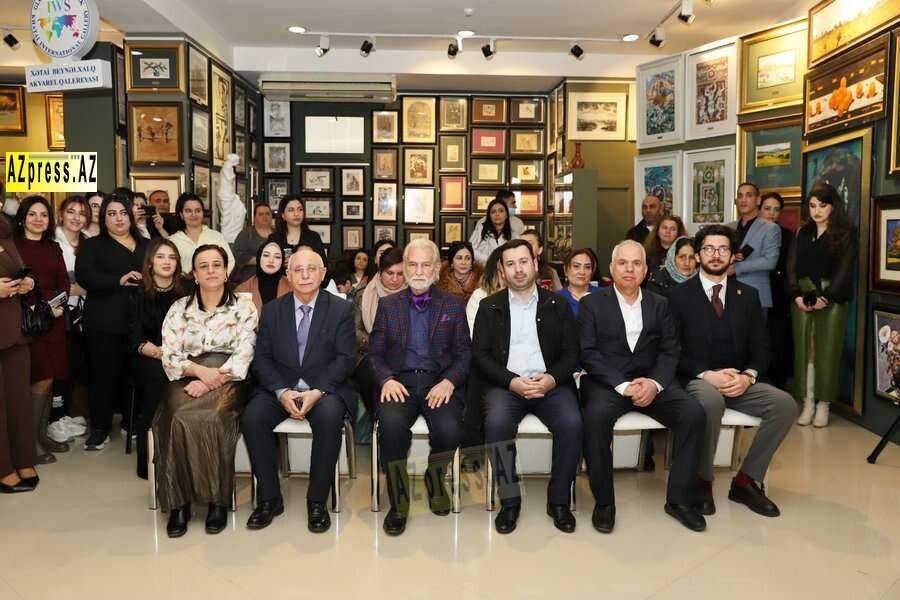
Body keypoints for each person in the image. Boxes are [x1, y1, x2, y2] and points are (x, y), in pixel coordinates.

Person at [669, 225, 797, 519]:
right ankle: (701, 480)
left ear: (732, 256)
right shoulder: (678, 296)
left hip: (738, 380)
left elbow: (762, 348)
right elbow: (671, 350)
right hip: (697, 379)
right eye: (709, 249)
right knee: (711, 402)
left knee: (785, 405)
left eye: (723, 249)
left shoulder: (747, 295)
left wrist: (747, 377)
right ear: (698, 255)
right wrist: (706, 375)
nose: (716, 255)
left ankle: (745, 481)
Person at [579, 240, 707, 533]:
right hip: (608, 383)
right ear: (611, 268)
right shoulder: (591, 304)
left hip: (652, 381)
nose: (629, 269)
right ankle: (604, 503)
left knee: (693, 413)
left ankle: (679, 501)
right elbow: (588, 353)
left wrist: (654, 383)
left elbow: (670, 350)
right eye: (622, 263)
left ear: (646, 270)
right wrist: (622, 385)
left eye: (636, 263)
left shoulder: (660, 303)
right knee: (595, 418)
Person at [241, 247, 356, 533]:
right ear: (288, 275)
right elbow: (262, 358)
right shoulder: (272, 310)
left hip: (324, 389)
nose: (305, 275)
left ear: (323, 273)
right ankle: (269, 499)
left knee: (329, 418)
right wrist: (281, 392)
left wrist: (318, 390)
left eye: (311, 269)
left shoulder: (341, 309)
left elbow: (345, 358)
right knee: (253, 417)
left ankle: (316, 501)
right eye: (298, 270)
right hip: (281, 387)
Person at [473, 239, 582, 534]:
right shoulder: (489, 306)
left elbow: (572, 353)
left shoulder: (558, 304)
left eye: (523, 262)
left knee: (572, 424)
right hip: (506, 385)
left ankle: (558, 500)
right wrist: (511, 381)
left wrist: (551, 379)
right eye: (510, 264)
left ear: (535, 264)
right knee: (496, 424)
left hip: (551, 384)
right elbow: (480, 356)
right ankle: (510, 502)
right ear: (502, 270)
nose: (518, 269)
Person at [368, 239, 469, 536]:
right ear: (405, 267)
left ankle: (435, 479)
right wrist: (386, 379)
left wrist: (449, 382)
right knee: (390, 428)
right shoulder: (388, 306)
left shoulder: (453, 304)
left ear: (437, 269)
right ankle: (399, 502)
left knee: (450, 429)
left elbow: (465, 353)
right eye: (413, 264)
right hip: (400, 382)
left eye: (426, 265)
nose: (419, 271)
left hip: (440, 382)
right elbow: (374, 354)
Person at [157, 245, 258, 537]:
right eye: (204, 266)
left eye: (217, 265)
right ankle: (179, 503)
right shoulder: (179, 309)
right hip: (186, 376)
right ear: (194, 274)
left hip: (229, 378)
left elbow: (245, 354)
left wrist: (212, 379)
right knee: (177, 417)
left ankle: (217, 501)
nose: (211, 270)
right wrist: (200, 373)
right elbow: (170, 355)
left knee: (214, 417)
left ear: (226, 272)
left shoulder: (244, 307)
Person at [75, 192, 150, 450]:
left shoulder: (147, 245)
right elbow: (85, 276)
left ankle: (132, 422)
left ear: (131, 216)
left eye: (123, 213)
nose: (118, 218)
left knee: (136, 375)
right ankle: (100, 428)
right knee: (103, 377)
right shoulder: (92, 246)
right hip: (104, 322)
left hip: (141, 322)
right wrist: (117, 280)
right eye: (111, 213)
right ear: (103, 218)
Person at [787, 182, 856, 428]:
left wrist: (826, 297)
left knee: (827, 350)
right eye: (813, 205)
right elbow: (791, 266)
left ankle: (824, 404)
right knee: (805, 351)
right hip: (802, 296)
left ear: (833, 206)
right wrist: (796, 294)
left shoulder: (845, 233)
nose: (816, 211)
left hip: (833, 299)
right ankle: (807, 402)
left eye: (822, 206)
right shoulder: (802, 233)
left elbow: (845, 270)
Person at [14, 196, 72, 463]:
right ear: (22, 218)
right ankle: (30, 443)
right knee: (41, 377)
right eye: (32, 214)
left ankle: (41, 434)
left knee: (51, 376)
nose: (38, 219)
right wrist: (38, 306)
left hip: (54, 319)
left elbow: (63, 282)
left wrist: (57, 305)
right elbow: (14, 283)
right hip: (29, 320)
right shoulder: (13, 246)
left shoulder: (53, 247)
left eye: (44, 215)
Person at [129, 239, 191, 479]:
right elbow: (135, 337)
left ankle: (183, 459)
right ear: (150, 262)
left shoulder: (187, 289)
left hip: (183, 354)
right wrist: (160, 353)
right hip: (150, 355)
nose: (167, 262)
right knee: (157, 380)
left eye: (172, 257)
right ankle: (149, 464)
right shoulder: (137, 292)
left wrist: (178, 356)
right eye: (161, 257)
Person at [0, 216, 39, 493]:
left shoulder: (6, 235)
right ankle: (3, 468)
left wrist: (29, 283)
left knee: (18, 399)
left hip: (14, 331)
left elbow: (22, 270)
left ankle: (22, 459)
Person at [462, 246, 506, 471]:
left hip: (520, 365)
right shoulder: (480, 295)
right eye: (503, 266)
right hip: (486, 360)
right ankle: (472, 451)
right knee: (476, 379)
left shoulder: (527, 295)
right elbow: (472, 334)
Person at [353, 248, 406, 415]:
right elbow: (356, 331)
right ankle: (377, 417)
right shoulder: (363, 295)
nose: (395, 279)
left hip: (404, 353)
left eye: (400, 274)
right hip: (367, 352)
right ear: (380, 271)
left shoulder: (413, 295)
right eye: (390, 273)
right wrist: (381, 343)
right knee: (369, 374)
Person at [728, 182, 781, 317]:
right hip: (727, 294)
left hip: (755, 295)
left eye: (748, 195)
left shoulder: (770, 228)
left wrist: (736, 268)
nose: (743, 200)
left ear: (758, 200)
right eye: (740, 196)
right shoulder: (728, 227)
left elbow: (770, 261)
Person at [759, 191, 795, 390]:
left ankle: (778, 388)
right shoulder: (750, 233)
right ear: (759, 209)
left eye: (776, 209)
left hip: (779, 297)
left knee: (777, 343)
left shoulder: (788, 236)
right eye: (767, 208)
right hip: (754, 295)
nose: (771, 213)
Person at [167, 193, 235, 276]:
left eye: (198, 210)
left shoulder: (216, 236)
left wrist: (218, 279)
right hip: (184, 283)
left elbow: (230, 262)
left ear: (203, 213)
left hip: (215, 281)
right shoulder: (173, 240)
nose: (194, 214)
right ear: (181, 215)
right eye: (188, 211)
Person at [268, 194, 326, 267]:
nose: (296, 214)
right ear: (283, 215)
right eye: (291, 210)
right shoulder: (274, 238)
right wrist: (280, 264)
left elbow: (323, 264)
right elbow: (269, 266)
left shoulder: (313, 237)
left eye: (300, 209)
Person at [235, 241, 290, 313]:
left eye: (277, 257)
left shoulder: (293, 287)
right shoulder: (242, 290)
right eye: (266, 255)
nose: (271, 260)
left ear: (282, 261)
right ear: (259, 258)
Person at [231, 203, 276, 283]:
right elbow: (238, 256)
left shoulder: (278, 233)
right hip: (251, 281)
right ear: (255, 217)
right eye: (261, 214)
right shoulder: (246, 234)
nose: (265, 217)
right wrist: (262, 260)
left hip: (275, 280)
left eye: (267, 214)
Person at [470, 196, 520, 265]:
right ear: (489, 216)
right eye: (493, 212)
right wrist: (488, 259)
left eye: (501, 211)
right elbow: (470, 249)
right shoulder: (481, 229)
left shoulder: (514, 235)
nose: (497, 214)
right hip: (483, 268)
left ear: (506, 214)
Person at [557, 248, 601, 318]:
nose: (582, 272)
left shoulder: (604, 296)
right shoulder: (556, 299)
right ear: (565, 270)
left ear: (592, 271)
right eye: (576, 266)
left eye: (587, 267)